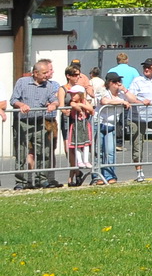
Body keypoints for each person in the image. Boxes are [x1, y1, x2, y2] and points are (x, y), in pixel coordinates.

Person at [10, 58, 63, 189]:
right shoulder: (22, 82)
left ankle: (41, 179)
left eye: (47, 73)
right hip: (23, 122)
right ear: (35, 73)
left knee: (43, 151)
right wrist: (21, 104)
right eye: (44, 73)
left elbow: (55, 100)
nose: (46, 75)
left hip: (40, 122)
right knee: (22, 153)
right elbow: (13, 99)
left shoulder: (49, 85)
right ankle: (21, 182)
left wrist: (53, 104)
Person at [93, 72, 131, 185]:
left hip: (111, 125)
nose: (118, 84)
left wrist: (125, 90)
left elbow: (134, 100)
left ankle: (110, 176)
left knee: (110, 151)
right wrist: (121, 102)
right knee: (98, 151)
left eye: (120, 81)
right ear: (109, 83)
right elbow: (104, 101)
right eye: (115, 82)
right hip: (99, 123)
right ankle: (97, 176)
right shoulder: (102, 90)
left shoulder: (121, 93)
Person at [61, 65, 95, 187]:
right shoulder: (67, 94)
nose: (78, 77)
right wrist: (75, 107)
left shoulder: (82, 96)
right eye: (75, 75)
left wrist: (82, 106)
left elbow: (90, 108)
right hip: (72, 124)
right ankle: (77, 166)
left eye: (78, 75)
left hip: (82, 124)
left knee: (85, 144)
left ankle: (82, 165)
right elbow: (69, 106)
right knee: (72, 147)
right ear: (68, 76)